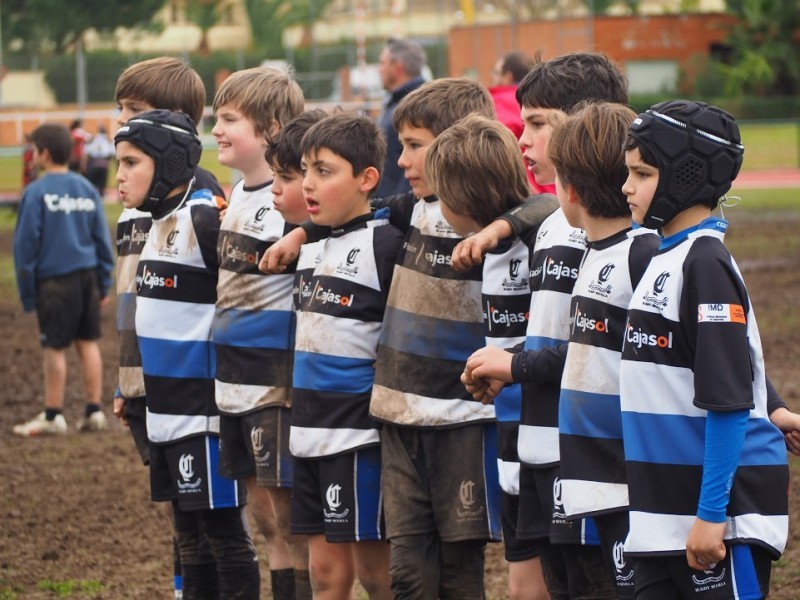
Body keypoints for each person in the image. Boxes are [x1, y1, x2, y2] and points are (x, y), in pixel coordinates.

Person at [461, 52, 630, 600]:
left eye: (536, 123)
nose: (522, 138)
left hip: (590, 452)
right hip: (538, 446)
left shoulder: (611, 231)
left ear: (583, 123)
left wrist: (513, 365)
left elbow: (600, 350)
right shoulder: (556, 219)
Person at [619, 99, 789, 597]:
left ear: (684, 178)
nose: (627, 186)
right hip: (659, 517)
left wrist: (712, 516)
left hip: (717, 519)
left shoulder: (704, 264)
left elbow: (729, 400)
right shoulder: (661, 256)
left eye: (641, 173)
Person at [115, 109, 260, 599]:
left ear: (169, 163)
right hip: (166, 415)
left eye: (132, 162)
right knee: (190, 539)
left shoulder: (203, 217)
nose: (119, 175)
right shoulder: (156, 221)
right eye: (118, 163)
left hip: (204, 418)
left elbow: (250, 297)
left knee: (223, 537)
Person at [424, 113, 555, 600]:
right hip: (511, 437)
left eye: (442, 198)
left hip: (555, 439)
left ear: (465, 198)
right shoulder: (488, 252)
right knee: (523, 587)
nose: (438, 210)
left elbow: (547, 203)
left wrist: (498, 228)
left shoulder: (541, 233)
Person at [112, 55, 227, 599]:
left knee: (204, 509)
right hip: (144, 380)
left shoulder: (201, 200)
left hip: (189, 388)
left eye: (136, 111)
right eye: (121, 111)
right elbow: (133, 299)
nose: (123, 123)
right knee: (177, 507)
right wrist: (124, 377)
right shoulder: (131, 197)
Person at [289, 112, 403, 599]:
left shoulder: (386, 245)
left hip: (357, 438)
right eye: (304, 171)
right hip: (307, 434)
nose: (308, 184)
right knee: (324, 575)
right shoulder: (310, 247)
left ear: (367, 179)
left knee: (377, 576)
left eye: (324, 171)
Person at [547, 102, 659, 598]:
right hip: (592, 473)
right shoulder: (592, 253)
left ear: (569, 189)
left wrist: (771, 405)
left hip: (630, 476)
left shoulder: (643, 252)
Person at [209, 66, 311, 600]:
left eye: (229, 119)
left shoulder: (291, 204)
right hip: (232, 381)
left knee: (288, 515)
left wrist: (299, 233)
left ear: (272, 128)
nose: (217, 130)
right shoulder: (239, 193)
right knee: (263, 517)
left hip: (275, 384)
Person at [12, 122, 114, 437]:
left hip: (54, 282)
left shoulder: (36, 192)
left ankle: (54, 415)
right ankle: (94, 410)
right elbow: (102, 239)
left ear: (44, 154)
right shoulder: (86, 188)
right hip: (87, 278)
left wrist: (28, 291)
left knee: (54, 348)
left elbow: (25, 245)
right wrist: (104, 280)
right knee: (88, 343)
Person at [488, 50, 553, 196]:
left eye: (496, 72)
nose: (523, 141)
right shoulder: (545, 98)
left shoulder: (499, 103)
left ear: (508, 76)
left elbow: (495, 146)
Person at [375, 38, 427, 198]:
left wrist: (399, 210)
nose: (379, 69)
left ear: (397, 68)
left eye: (382, 63)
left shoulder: (418, 107)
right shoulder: (396, 102)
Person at [84, 125, 115, 199]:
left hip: (94, 164)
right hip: (104, 165)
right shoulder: (108, 140)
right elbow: (112, 153)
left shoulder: (93, 139)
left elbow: (87, 152)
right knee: (101, 186)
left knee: (92, 184)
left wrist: (84, 165)